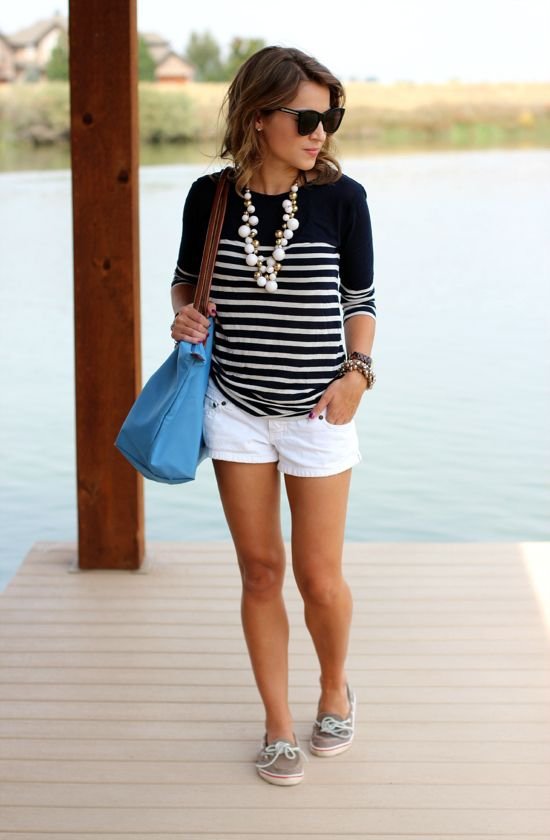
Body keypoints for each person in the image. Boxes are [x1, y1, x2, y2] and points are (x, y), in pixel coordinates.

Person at [170, 46, 376, 786]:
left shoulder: (342, 200)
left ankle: (331, 689)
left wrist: (359, 375)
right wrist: (186, 319)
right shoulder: (208, 197)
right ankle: (278, 725)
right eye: (309, 116)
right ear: (259, 117)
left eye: (332, 116)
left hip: (320, 413)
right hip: (236, 410)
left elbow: (360, 302)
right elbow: (186, 285)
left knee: (319, 579)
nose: (323, 131)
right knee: (261, 571)